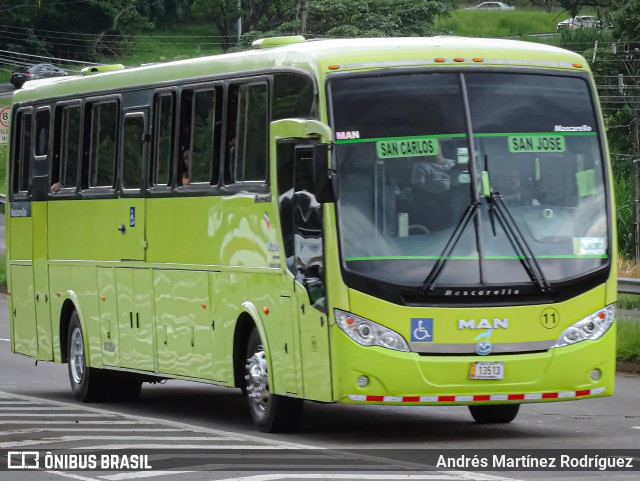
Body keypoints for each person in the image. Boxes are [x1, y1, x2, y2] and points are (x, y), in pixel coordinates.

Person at [410, 143, 456, 230]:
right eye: (426, 147)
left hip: (457, 203)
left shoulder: (453, 163)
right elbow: (418, 188)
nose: (430, 149)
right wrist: (440, 196)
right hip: (434, 206)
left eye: (432, 145)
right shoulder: (420, 166)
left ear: (440, 146)